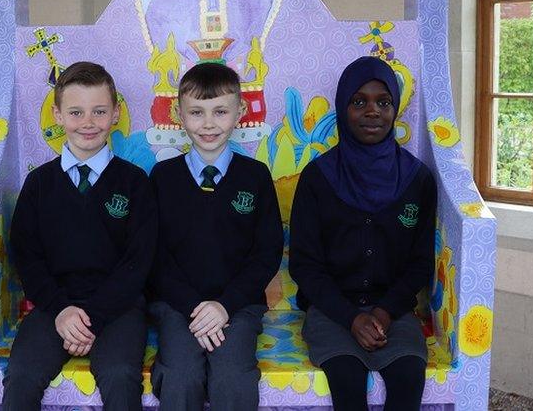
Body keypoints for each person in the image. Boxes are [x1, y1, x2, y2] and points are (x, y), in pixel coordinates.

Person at [3, 61, 156, 411]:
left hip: (119, 309)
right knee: (21, 376)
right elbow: (27, 256)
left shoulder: (135, 183)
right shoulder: (39, 184)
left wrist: (93, 318)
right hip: (52, 307)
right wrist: (60, 311)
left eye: (99, 111)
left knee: (120, 376)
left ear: (115, 114)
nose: (88, 122)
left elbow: (139, 260)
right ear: (57, 115)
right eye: (76, 112)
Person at [289, 56, 436, 411]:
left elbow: (419, 263)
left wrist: (384, 313)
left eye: (383, 102)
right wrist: (351, 317)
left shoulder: (417, 180)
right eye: (359, 102)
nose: (373, 112)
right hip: (331, 310)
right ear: (343, 107)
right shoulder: (318, 177)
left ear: (395, 108)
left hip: (394, 312)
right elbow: (305, 265)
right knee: (346, 378)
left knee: (408, 377)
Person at [147, 62, 283, 411]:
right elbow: (154, 254)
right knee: (180, 374)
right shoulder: (163, 177)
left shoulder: (255, 176)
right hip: (177, 306)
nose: (208, 124)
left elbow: (266, 252)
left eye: (220, 111)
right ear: (179, 114)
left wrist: (224, 306)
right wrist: (196, 308)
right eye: (197, 112)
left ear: (240, 112)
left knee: (232, 377)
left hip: (238, 305)